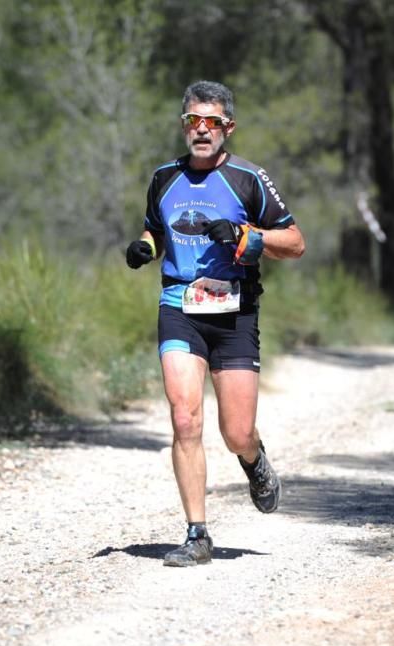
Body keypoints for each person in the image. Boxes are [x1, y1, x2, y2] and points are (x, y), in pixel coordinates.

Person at [126, 81, 306, 566]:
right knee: (185, 417)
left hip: (234, 311)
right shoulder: (164, 178)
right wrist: (145, 245)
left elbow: (294, 242)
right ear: (183, 126)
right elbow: (156, 227)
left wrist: (246, 237)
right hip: (179, 305)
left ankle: (254, 460)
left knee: (236, 431)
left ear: (228, 127)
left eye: (212, 122)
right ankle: (196, 533)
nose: (201, 131)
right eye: (193, 121)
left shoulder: (248, 179)